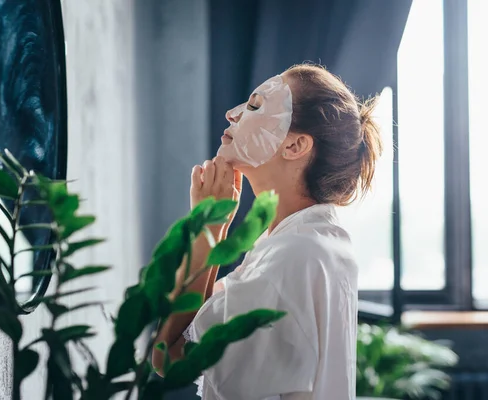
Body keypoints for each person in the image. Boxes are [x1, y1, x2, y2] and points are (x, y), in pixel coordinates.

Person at [153, 64, 383, 400]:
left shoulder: (291, 257)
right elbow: (194, 327)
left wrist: (208, 229)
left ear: (294, 146)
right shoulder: (311, 240)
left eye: (255, 106)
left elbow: (169, 360)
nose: (232, 115)